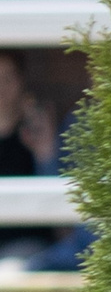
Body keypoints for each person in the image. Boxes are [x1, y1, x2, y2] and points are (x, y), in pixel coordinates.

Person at [0, 50, 59, 260]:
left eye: (8, 78)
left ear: (21, 81)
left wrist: (45, 151)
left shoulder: (35, 129)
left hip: (29, 246)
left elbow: (56, 195)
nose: (2, 88)